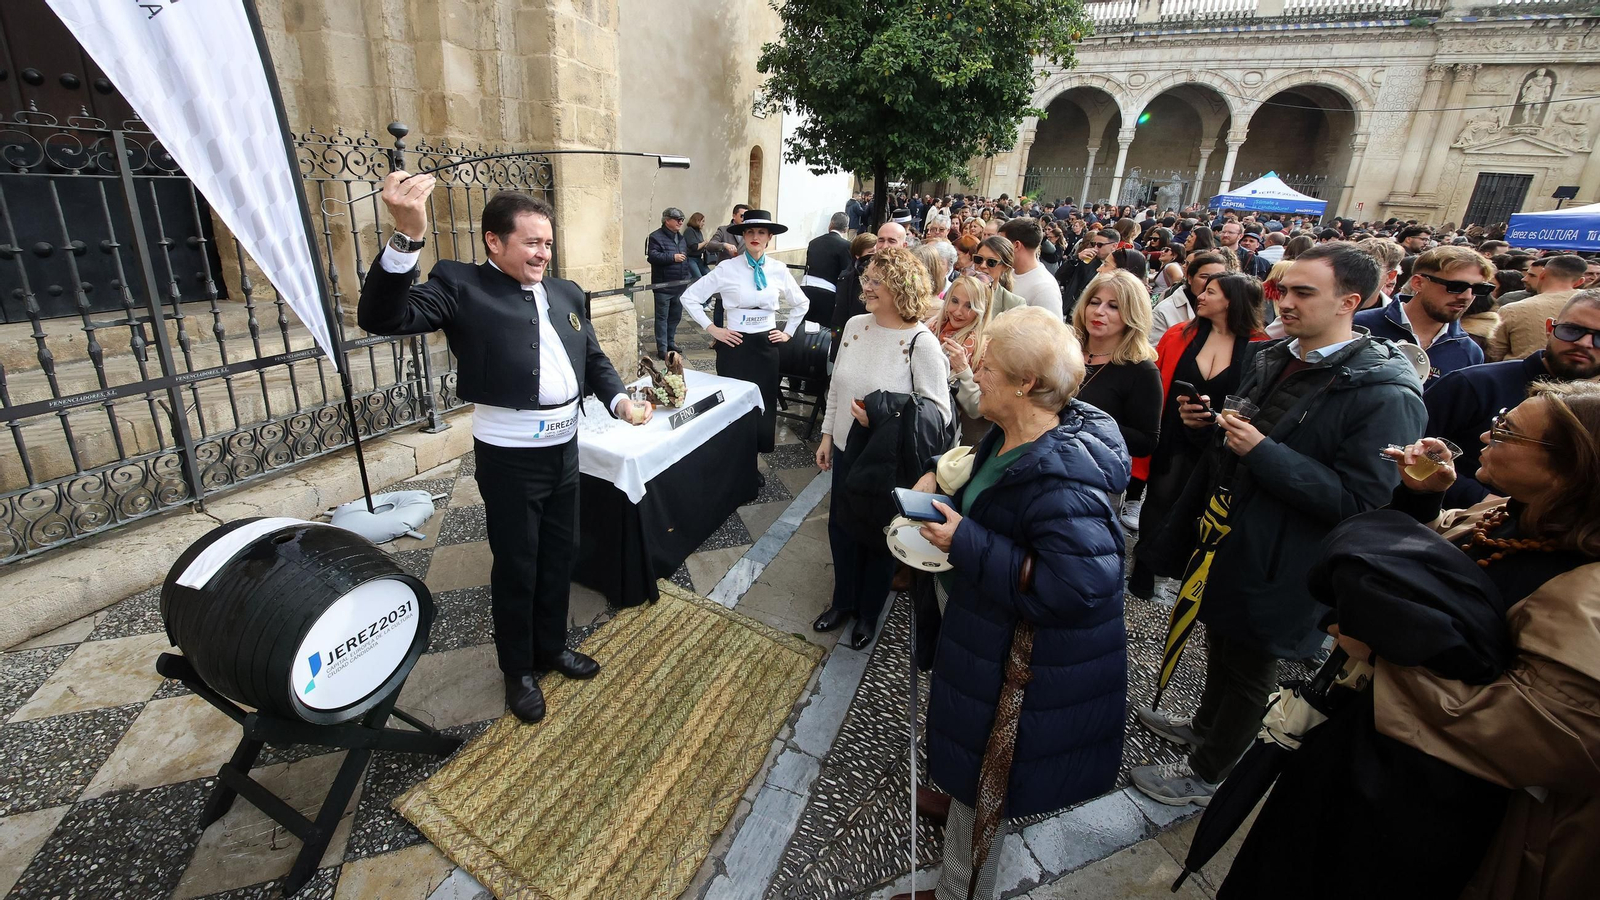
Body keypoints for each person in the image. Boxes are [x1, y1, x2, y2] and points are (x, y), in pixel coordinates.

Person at [1217, 381, 1600, 900]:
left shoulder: (1584, 587)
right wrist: (1423, 496)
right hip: (1359, 751)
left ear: (1570, 467)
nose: (1488, 432)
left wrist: (1381, 654)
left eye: (1508, 431)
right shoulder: (1504, 514)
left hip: (1425, 808)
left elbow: (1542, 735)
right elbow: (1427, 568)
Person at [1131, 243, 1428, 805]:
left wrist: (1262, 450)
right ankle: (1204, 730)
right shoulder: (1274, 356)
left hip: (1285, 560)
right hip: (1231, 539)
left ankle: (1209, 774)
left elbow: (1363, 503)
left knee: (1248, 666)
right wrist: (1205, 430)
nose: (1285, 302)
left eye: (1302, 293)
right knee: (1222, 644)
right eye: (1281, 290)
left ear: (1351, 302)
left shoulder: (1383, 392)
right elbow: (1235, 450)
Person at [358, 174, 650, 724]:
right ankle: (517, 669)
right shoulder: (460, 285)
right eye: (531, 242)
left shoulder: (564, 292)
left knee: (560, 555)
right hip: (510, 458)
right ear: (494, 241)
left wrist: (620, 404)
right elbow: (381, 317)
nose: (543, 253)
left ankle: (551, 647)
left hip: (566, 451)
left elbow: (592, 359)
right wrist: (407, 239)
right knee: (518, 564)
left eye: (547, 243)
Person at [897, 306, 1128, 900]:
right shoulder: (1012, 430)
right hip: (985, 632)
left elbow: (1079, 587)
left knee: (994, 783)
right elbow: (985, 481)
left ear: (1026, 384)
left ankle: (958, 891)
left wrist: (967, 541)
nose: (973, 364)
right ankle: (958, 801)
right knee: (971, 770)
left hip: (1020, 670)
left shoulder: (1063, 478)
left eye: (987, 360)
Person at [814, 247, 950, 649]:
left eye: (876, 281)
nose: (866, 288)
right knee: (841, 529)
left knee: (878, 537)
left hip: (887, 460)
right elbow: (837, 386)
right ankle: (842, 602)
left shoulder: (920, 343)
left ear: (900, 288)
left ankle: (868, 616)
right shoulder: (856, 325)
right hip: (844, 449)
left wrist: (883, 415)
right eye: (866, 279)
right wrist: (826, 435)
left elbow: (938, 413)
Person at [1127, 273, 1267, 594]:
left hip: (1220, 442)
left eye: (1211, 292)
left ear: (1231, 301)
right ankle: (1143, 573)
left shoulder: (1260, 349)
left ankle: (1188, 575)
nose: (1200, 296)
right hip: (1173, 432)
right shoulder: (1180, 334)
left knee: (1204, 508)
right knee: (1159, 499)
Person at [1424, 289, 1600, 508]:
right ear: (1549, 328)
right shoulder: (1474, 384)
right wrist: (1482, 500)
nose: (1584, 343)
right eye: (1572, 330)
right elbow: (1415, 451)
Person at [679, 210, 809, 452]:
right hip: (734, 345)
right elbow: (690, 298)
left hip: (766, 345)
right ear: (743, 236)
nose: (755, 237)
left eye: (761, 232)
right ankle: (734, 459)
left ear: (769, 237)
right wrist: (713, 329)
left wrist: (788, 332)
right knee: (733, 402)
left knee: (764, 403)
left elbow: (802, 303)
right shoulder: (727, 268)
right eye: (750, 231)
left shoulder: (778, 269)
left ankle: (755, 460)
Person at [1071, 270, 1162, 525]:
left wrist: (1086, 420)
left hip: (1094, 483)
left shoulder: (1141, 370)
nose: (1099, 312)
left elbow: (1147, 441)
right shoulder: (1064, 348)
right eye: (1094, 302)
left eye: (1114, 306)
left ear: (1132, 315)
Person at [1355, 246, 1490, 383]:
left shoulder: (1469, 352)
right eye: (1456, 287)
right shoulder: (1359, 326)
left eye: (1479, 289)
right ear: (1418, 283)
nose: (1467, 296)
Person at [1489, 256, 1589, 361]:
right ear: (1580, 282)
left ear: (1543, 275)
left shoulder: (1512, 310)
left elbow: (1493, 356)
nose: (1524, 279)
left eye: (1531, 275)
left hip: (1523, 375)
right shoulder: (1595, 304)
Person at [939, 274, 996, 447]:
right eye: (954, 301)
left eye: (969, 306)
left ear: (981, 310)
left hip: (946, 436)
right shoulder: (932, 326)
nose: (958, 311)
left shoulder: (985, 347)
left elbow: (977, 408)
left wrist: (963, 370)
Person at [1149, 251, 1229, 345]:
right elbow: (1155, 354)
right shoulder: (1164, 311)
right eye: (1204, 277)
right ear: (1190, 278)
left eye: (1218, 278)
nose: (1211, 283)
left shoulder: (1228, 308)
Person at [646, 207, 692, 358]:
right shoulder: (655, 237)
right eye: (677, 219)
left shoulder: (681, 237)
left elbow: (686, 257)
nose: (681, 222)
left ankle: (670, 342)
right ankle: (662, 349)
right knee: (662, 319)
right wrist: (672, 257)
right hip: (663, 287)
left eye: (682, 220)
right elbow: (652, 256)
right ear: (667, 220)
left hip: (679, 286)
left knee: (675, 317)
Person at [999, 217, 1063, 317]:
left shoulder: (1044, 289)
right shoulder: (1008, 272)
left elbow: (1052, 331)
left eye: (1003, 244)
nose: (998, 250)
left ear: (1016, 245)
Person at [802, 212, 852, 326]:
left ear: (831, 224)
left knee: (804, 326)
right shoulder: (846, 245)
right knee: (823, 328)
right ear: (846, 229)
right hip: (827, 292)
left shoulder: (813, 242)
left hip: (806, 286)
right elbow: (845, 272)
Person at [1057, 225, 1118, 308]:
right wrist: (1076, 258)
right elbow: (1060, 275)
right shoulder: (1087, 260)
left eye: (1100, 245)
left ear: (1114, 246)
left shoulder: (1117, 269)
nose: (1096, 248)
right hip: (1072, 310)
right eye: (1093, 244)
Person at [683, 212, 711, 279]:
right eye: (702, 221)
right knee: (698, 278)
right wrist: (705, 242)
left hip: (699, 258)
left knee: (709, 275)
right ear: (697, 220)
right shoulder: (689, 231)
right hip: (691, 259)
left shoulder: (699, 232)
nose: (703, 224)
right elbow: (695, 247)